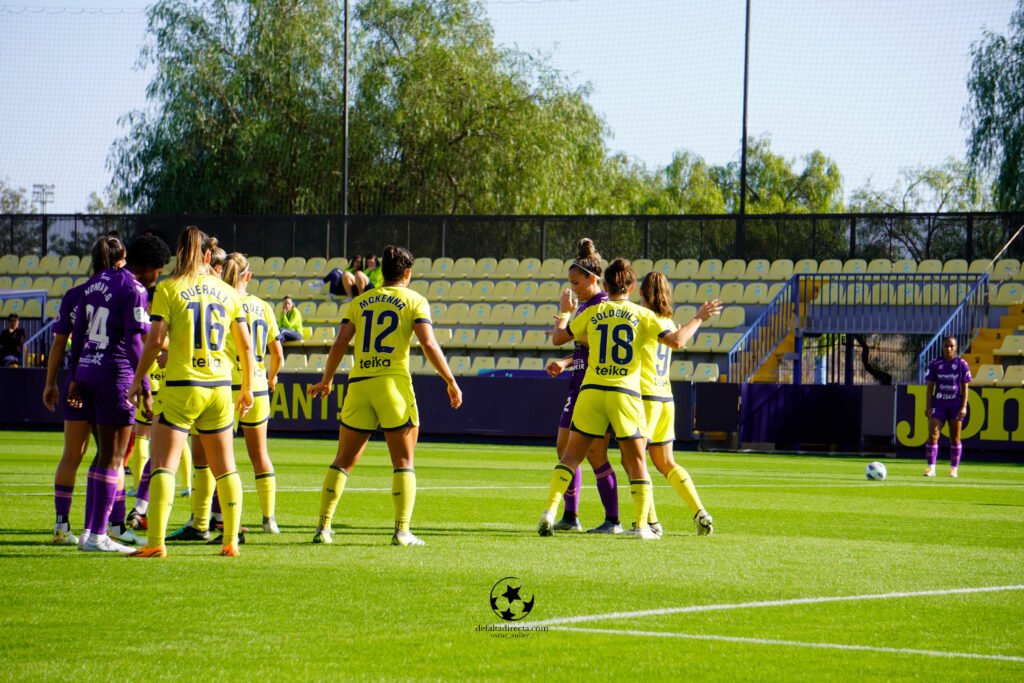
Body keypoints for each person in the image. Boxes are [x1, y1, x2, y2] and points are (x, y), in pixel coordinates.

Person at [537, 258, 716, 539]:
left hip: (599, 391)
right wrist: (700, 317)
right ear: (631, 287)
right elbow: (678, 341)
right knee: (643, 462)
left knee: (572, 454)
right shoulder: (649, 318)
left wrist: (565, 314)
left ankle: (550, 511)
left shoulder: (596, 311)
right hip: (641, 395)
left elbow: (561, 337)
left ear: (605, 286)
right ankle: (648, 524)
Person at [308, 245, 462, 546]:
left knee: (343, 459)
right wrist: (450, 379)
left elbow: (340, 341)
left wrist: (326, 380)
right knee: (404, 460)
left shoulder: (361, 301)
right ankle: (402, 531)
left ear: (383, 272)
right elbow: (429, 344)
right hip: (392, 383)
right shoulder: (415, 300)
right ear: (407, 273)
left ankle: (322, 528)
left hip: (360, 383)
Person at [126, 226, 255, 558]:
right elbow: (245, 344)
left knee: (164, 466)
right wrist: (247, 389)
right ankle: (231, 541)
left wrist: (136, 380)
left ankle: (155, 542)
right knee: (226, 466)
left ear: (178, 253)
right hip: (219, 387)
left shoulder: (168, 289)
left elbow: (154, 342)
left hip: (183, 386)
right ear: (208, 256)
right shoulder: (227, 292)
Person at [67, 234, 171, 553]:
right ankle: (99, 536)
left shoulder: (91, 287)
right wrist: (145, 385)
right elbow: (137, 342)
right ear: (148, 267)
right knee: (113, 459)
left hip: (87, 370)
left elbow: (78, 335)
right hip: (115, 375)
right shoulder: (133, 288)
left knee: (101, 457)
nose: (158, 276)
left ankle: (89, 532)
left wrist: (73, 377)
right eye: (159, 270)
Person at [42, 236, 127, 545]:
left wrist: (51, 383)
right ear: (121, 260)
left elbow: (58, 343)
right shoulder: (120, 291)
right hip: (107, 379)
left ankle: (62, 526)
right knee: (112, 455)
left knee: (72, 455)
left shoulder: (75, 295)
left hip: (78, 378)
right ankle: (114, 525)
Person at [546, 238, 622, 534]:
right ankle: (571, 516)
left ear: (592, 279)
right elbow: (583, 346)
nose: (572, 288)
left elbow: (560, 337)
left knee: (595, 454)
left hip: (595, 387)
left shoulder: (600, 306)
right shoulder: (588, 306)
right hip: (578, 383)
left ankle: (612, 519)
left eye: (576, 283)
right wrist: (565, 363)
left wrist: (565, 313)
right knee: (564, 450)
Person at [635, 271, 718, 535]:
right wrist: (698, 318)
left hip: (645, 397)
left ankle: (651, 522)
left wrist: (699, 317)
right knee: (666, 463)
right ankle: (700, 512)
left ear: (641, 293)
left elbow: (678, 341)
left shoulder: (643, 318)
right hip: (665, 398)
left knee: (637, 461)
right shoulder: (667, 320)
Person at [221, 252, 284, 536]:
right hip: (257, 387)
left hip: (227, 386)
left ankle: (220, 518)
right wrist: (271, 377)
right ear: (249, 276)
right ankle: (269, 519)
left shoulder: (222, 302)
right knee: (261, 455)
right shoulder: (263, 307)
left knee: (222, 458)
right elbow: (278, 354)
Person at [924, 336, 972, 478]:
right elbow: (929, 388)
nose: (948, 349)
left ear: (956, 347)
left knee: (955, 437)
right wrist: (928, 406)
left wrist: (963, 407)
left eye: (951, 346)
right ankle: (931, 468)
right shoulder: (935, 364)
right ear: (942, 347)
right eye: (946, 346)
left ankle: (953, 469)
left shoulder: (962, 364)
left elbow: (965, 388)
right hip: (938, 403)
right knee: (933, 433)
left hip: (955, 405)